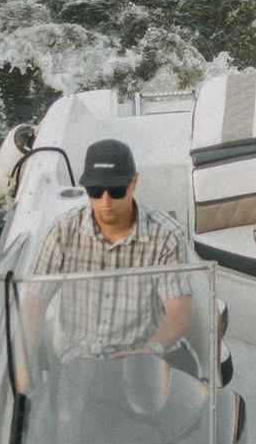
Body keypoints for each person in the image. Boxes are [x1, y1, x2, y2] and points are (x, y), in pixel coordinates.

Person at [26, 137, 194, 353]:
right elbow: (33, 306)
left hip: (146, 360)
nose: (105, 201)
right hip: (80, 362)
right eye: (95, 190)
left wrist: (150, 350)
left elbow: (179, 310)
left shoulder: (166, 235)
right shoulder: (60, 232)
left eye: (116, 190)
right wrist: (21, 371)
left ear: (134, 182)